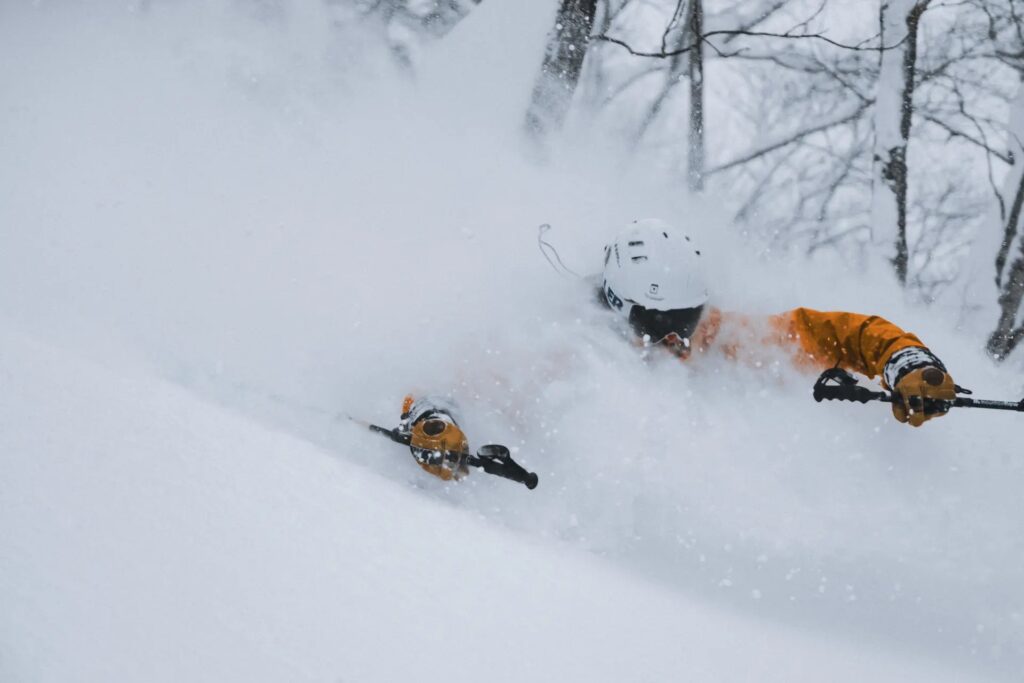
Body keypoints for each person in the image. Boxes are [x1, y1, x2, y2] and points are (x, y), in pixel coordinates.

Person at [599, 218, 956, 428]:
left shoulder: (722, 339)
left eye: (687, 319)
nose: (677, 338)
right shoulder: (584, 348)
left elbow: (840, 336)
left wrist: (906, 362)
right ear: (620, 306)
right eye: (659, 323)